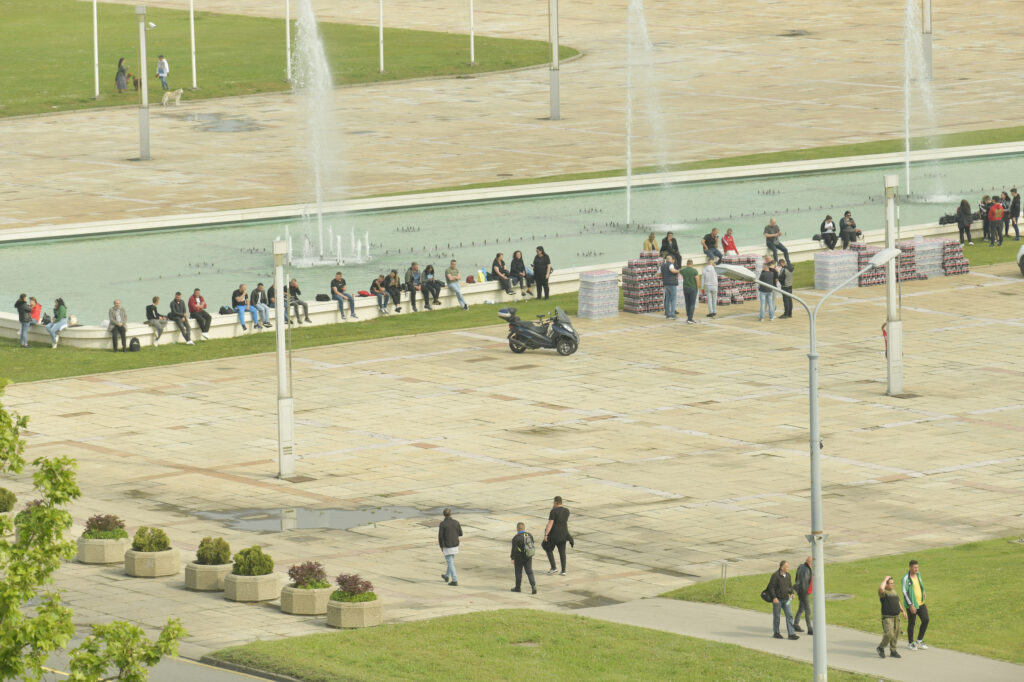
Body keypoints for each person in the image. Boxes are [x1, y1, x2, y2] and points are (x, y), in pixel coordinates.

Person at [901, 559, 929, 650]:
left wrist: (923, 591)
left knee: (926, 620)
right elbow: (905, 593)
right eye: (914, 567)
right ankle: (910, 643)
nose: (916, 569)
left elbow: (920, 584)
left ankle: (919, 640)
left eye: (917, 567)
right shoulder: (905, 578)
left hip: (921, 603)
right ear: (910, 568)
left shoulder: (918, 575)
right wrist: (911, 605)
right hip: (912, 605)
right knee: (912, 623)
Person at [768, 560, 799, 640]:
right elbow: (771, 588)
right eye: (786, 566)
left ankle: (791, 634)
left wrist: (791, 593)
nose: (788, 568)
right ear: (782, 567)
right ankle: (776, 633)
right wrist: (774, 597)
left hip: (786, 600)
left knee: (789, 615)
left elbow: (790, 586)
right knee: (777, 616)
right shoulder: (775, 575)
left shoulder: (788, 575)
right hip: (777, 600)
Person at [878, 575, 906, 659]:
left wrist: (903, 611)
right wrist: (885, 579)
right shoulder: (883, 593)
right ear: (886, 584)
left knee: (896, 634)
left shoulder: (894, 591)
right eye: (890, 583)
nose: (893, 585)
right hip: (887, 617)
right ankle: (880, 648)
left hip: (896, 617)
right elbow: (881, 588)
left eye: (893, 583)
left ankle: (893, 651)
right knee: (889, 633)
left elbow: (898, 601)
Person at [543, 495, 571, 576]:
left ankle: (553, 567)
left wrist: (546, 534)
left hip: (554, 535)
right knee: (562, 552)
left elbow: (550, 523)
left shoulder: (553, 511)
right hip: (564, 534)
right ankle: (563, 570)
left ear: (555, 502)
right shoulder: (567, 511)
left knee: (547, 547)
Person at [510, 522, 537, 594]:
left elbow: (514, 549)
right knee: (529, 571)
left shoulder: (516, 538)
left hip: (519, 558)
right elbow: (532, 543)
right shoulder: (529, 535)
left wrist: (512, 558)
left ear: (517, 529)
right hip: (528, 556)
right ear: (524, 528)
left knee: (518, 572)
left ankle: (518, 588)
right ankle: (533, 586)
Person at [438, 508, 463, 587]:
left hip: (447, 546)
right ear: (451, 514)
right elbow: (460, 533)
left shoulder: (443, 524)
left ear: (444, 515)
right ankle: (446, 576)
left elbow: (440, 537)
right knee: (450, 561)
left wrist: (441, 546)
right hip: (455, 545)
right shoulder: (456, 522)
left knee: (450, 563)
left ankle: (455, 580)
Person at [793, 556, 813, 635]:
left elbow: (796, 578)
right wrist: (805, 594)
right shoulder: (806, 570)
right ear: (810, 562)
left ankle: (796, 624)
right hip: (804, 592)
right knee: (808, 610)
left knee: (801, 608)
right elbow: (804, 583)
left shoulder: (801, 566)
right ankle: (810, 629)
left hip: (800, 591)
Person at [660, 254, 680, 320]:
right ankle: (673, 314)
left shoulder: (662, 265)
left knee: (667, 299)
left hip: (665, 284)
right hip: (672, 283)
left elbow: (657, 274)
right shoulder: (670, 264)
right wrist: (679, 271)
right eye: (672, 260)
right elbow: (672, 270)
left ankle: (668, 314)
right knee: (673, 299)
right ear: (670, 259)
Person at [681, 258, 699, 324]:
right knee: (692, 303)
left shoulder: (683, 270)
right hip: (693, 288)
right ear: (692, 264)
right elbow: (697, 279)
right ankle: (690, 318)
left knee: (687, 303)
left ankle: (688, 316)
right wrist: (697, 287)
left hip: (685, 288)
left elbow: (679, 273)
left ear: (687, 264)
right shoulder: (694, 270)